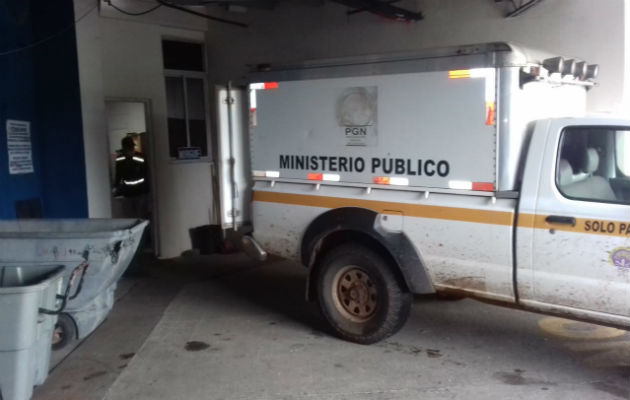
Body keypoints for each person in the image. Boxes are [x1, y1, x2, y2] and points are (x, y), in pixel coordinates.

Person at [114, 136, 149, 219]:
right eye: (129, 147)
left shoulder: (140, 157)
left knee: (140, 216)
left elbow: (146, 172)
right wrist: (116, 187)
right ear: (124, 148)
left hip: (140, 192)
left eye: (131, 147)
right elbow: (118, 174)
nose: (131, 149)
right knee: (129, 216)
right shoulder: (120, 159)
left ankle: (142, 231)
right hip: (128, 193)